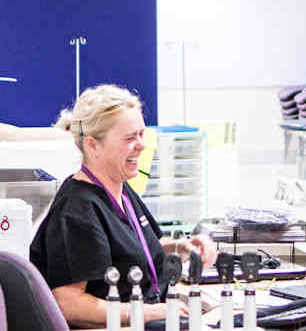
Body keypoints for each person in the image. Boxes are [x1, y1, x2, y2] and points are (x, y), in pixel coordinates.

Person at [30, 84, 218, 328]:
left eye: (142, 134)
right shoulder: (78, 209)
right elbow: (68, 304)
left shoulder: (120, 189)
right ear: (92, 145)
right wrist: (146, 312)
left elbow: (126, 249)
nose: (141, 145)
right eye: (130, 138)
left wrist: (178, 249)